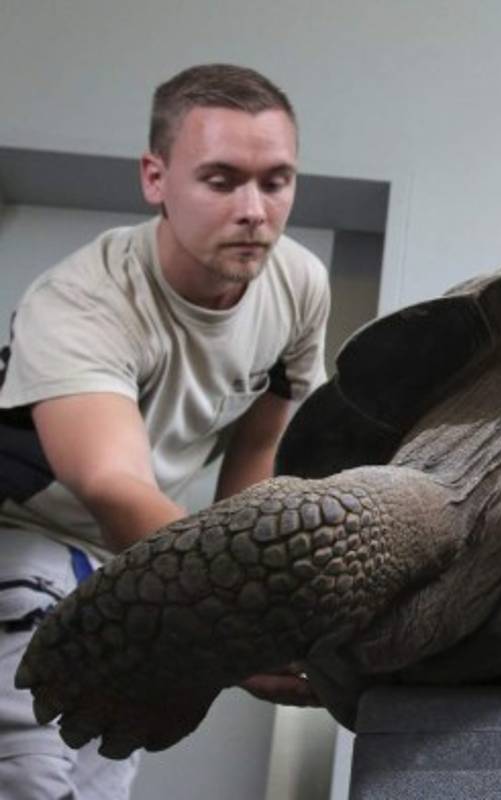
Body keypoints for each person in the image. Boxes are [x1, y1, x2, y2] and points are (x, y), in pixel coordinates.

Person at [0, 64, 330, 799]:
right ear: (155, 178)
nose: (254, 210)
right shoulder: (80, 302)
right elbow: (114, 486)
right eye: (221, 180)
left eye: (276, 181)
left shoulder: (297, 283)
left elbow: (256, 449)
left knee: (102, 777)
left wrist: (262, 581)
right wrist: (233, 625)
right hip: (27, 538)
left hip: (134, 563)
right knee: (33, 780)